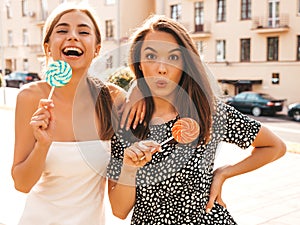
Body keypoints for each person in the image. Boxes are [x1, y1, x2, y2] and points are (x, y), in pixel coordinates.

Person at [107, 15, 286, 225]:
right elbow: (119, 211)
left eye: (173, 57)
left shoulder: (208, 112)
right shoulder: (127, 123)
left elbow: (275, 146)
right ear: (139, 64)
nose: (161, 68)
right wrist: (129, 168)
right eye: (151, 56)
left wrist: (224, 172)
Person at [11, 2, 143, 225]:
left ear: (97, 49)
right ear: (48, 47)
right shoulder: (30, 97)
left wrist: (140, 87)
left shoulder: (113, 99)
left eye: (83, 32)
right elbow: (22, 184)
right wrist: (42, 145)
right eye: (62, 30)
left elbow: (167, 100)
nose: (72, 37)